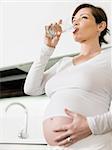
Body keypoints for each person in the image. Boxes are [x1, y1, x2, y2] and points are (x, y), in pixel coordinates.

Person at [24, 3, 112, 150]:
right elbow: (31, 88)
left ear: (100, 26)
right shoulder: (63, 64)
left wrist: (91, 125)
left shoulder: (109, 58)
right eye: (73, 19)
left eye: (83, 17)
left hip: (94, 145)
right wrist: (47, 48)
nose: (75, 22)